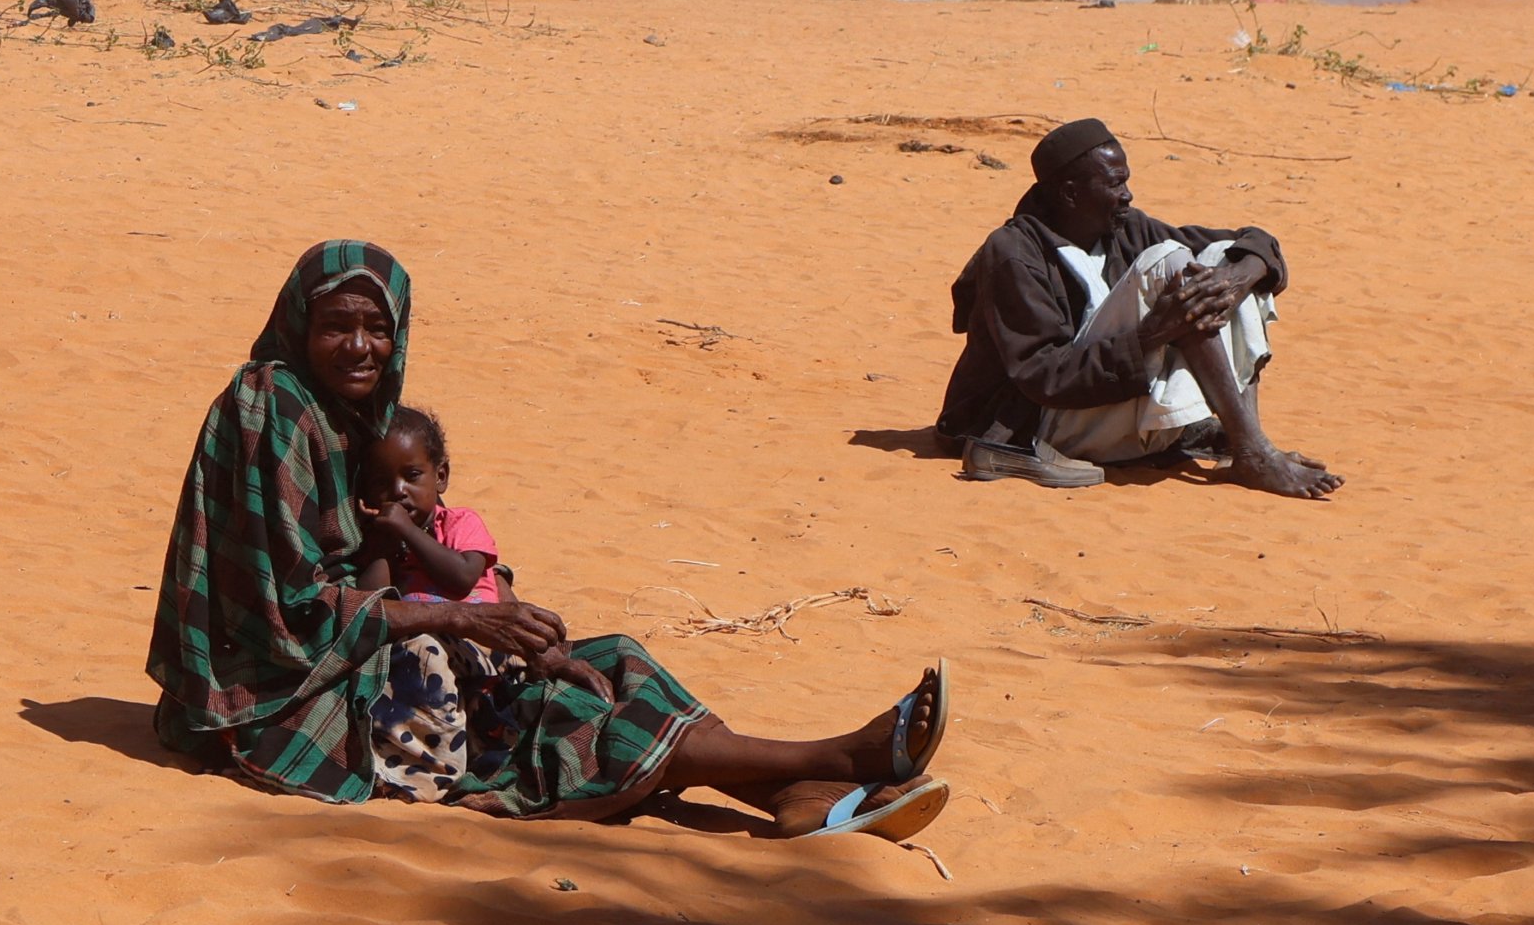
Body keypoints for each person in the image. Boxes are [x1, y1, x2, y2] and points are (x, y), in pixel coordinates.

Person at [149, 242, 950, 838]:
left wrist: (489, 608)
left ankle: (784, 794)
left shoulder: (343, 420)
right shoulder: (272, 409)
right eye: (336, 326)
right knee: (545, 704)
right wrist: (461, 620)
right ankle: (841, 760)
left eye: (376, 328)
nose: (359, 347)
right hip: (271, 697)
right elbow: (289, 609)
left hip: (348, 650)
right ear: (299, 325)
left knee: (607, 659)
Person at [939, 118, 1340, 497]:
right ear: (1070, 193)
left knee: (1224, 258)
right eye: (1115, 184)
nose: (1127, 195)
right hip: (1042, 426)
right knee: (1170, 262)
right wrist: (1153, 335)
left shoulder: (1126, 227)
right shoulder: (1015, 255)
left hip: (1109, 416)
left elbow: (1256, 242)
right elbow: (1043, 376)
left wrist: (1235, 278)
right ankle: (1253, 452)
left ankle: (1246, 443)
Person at [358, 405, 505, 604]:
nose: (398, 490)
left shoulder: (460, 523)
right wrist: (381, 545)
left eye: (412, 476)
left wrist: (407, 530)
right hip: (420, 632)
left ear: (440, 477)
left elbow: (463, 578)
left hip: (477, 630)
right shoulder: (385, 540)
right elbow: (373, 604)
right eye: (381, 482)